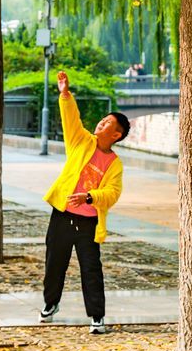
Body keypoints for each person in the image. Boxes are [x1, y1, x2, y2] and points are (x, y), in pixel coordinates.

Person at [41, 70, 130, 334]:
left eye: (107, 123)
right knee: (54, 263)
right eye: (103, 120)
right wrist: (65, 95)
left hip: (89, 222)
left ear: (116, 135)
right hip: (61, 214)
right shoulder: (80, 141)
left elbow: (112, 193)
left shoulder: (114, 164)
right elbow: (71, 119)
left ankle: (97, 317)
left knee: (91, 269)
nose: (101, 123)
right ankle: (50, 303)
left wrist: (89, 197)